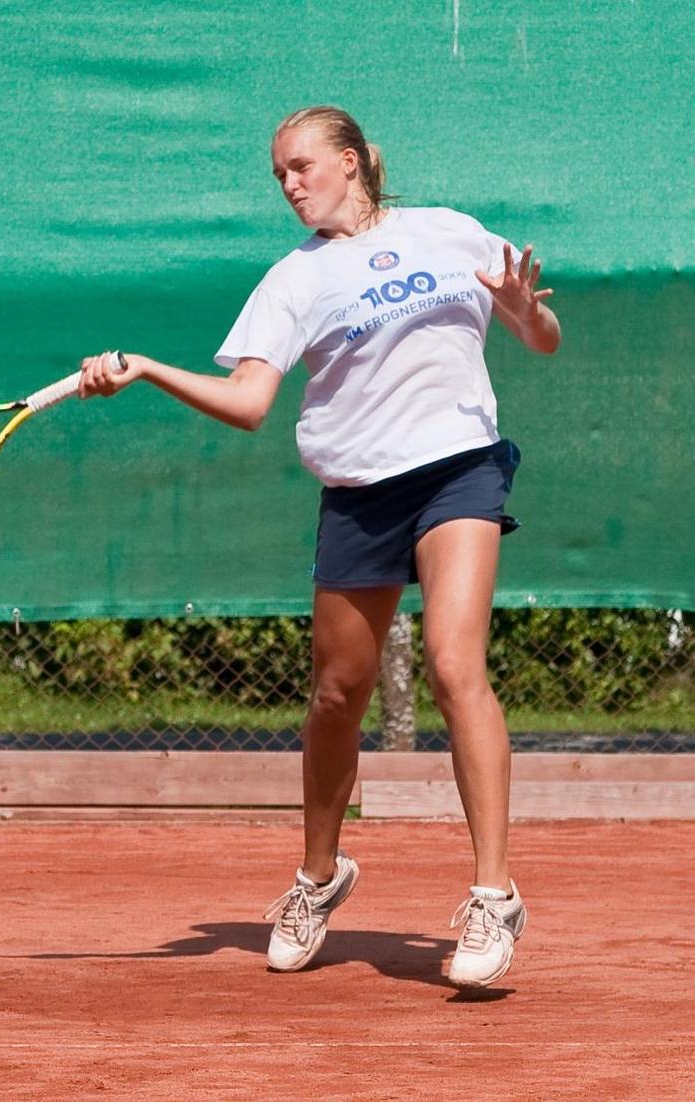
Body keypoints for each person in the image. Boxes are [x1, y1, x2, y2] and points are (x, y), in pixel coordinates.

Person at [79, 105, 561, 988]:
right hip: (359, 493)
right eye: (280, 176)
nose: (291, 185)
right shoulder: (292, 282)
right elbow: (251, 402)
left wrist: (528, 316)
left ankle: (494, 896)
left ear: (351, 161)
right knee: (339, 693)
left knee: (459, 666)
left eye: (302, 166)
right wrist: (147, 367)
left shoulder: (448, 234)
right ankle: (318, 876)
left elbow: (542, 336)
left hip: (460, 470)